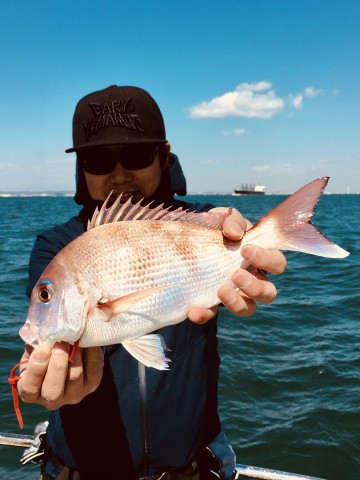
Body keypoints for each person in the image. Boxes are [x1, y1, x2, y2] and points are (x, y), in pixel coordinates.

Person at [17, 85, 286, 480]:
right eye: (97, 159)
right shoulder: (58, 248)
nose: (119, 174)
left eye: (138, 155)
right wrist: (41, 375)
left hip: (194, 468)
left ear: (164, 155)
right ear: (81, 168)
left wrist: (250, 247)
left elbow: (227, 237)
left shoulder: (202, 223)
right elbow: (47, 334)